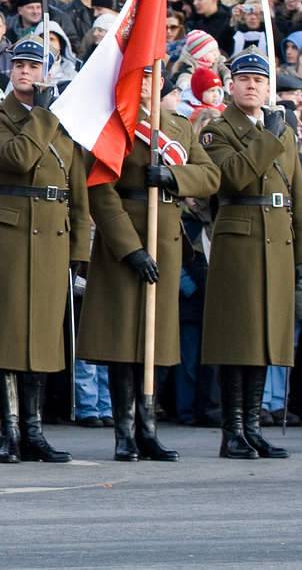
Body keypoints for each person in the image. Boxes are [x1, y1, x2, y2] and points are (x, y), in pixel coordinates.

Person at [77, 66, 220, 462]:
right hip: (126, 241)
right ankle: (124, 433)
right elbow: (101, 191)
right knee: (124, 342)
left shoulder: (178, 125)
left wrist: (174, 175)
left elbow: (209, 175)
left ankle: (148, 429)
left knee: (154, 343)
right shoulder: (116, 125)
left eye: (151, 77)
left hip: (168, 236)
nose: (146, 84)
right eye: (139, 76)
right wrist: (130, 248)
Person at [0, 37, 92, 464]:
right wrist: (43, 112)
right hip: (13, 234)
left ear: (46, 73)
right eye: (18, 65)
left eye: (34, 67)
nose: (25, 72)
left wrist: (80, 250)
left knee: (40, 336)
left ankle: (34, 432)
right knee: (7, 335)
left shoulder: (63, 124)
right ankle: (11, 431)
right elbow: (16, 158)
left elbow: (77, 191)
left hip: (54, 233)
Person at [199, 50, 302, 459]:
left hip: (277, 238)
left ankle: (252, 426)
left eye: (260, 80)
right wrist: (267, 137)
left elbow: (296, 191)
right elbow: (231, 176)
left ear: (268, 87)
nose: (252, 85)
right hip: (241, 238)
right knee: (239, 338)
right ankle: (232, 430)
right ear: (231, 85)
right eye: (245, 78)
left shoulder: (279, 128)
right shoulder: (218, 130)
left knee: (266, 338)